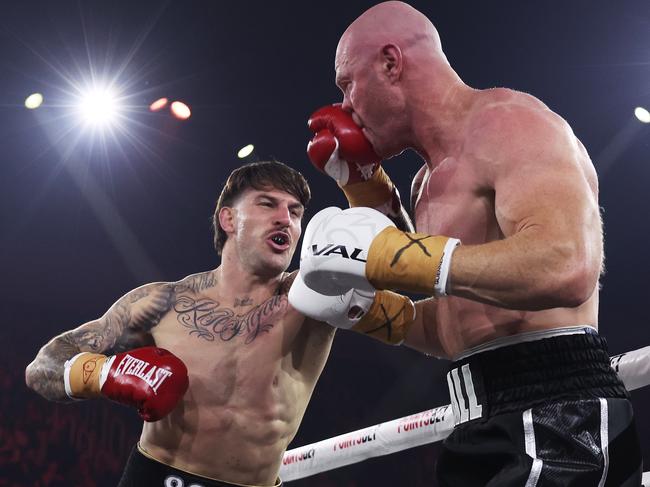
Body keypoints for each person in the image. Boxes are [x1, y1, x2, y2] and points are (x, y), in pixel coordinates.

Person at [295, 2, 643, 485]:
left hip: (558, 412)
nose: (345, 106)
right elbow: (457, 328)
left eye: (347, 83)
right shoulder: (423, 184)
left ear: (391, 63)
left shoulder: (511, 124)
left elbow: (566, 266)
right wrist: (370, 314)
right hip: (476, 415)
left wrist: (396, 256)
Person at [25, 160, 341, 487]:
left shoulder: (313, 295)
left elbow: (379, 255)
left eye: (295, 211)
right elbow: (42, 368)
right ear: (228, 219)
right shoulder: (163, 303)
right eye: (267, 203)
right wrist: (103, 374)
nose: (284, 219)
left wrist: (364, 180)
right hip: (156, 477)